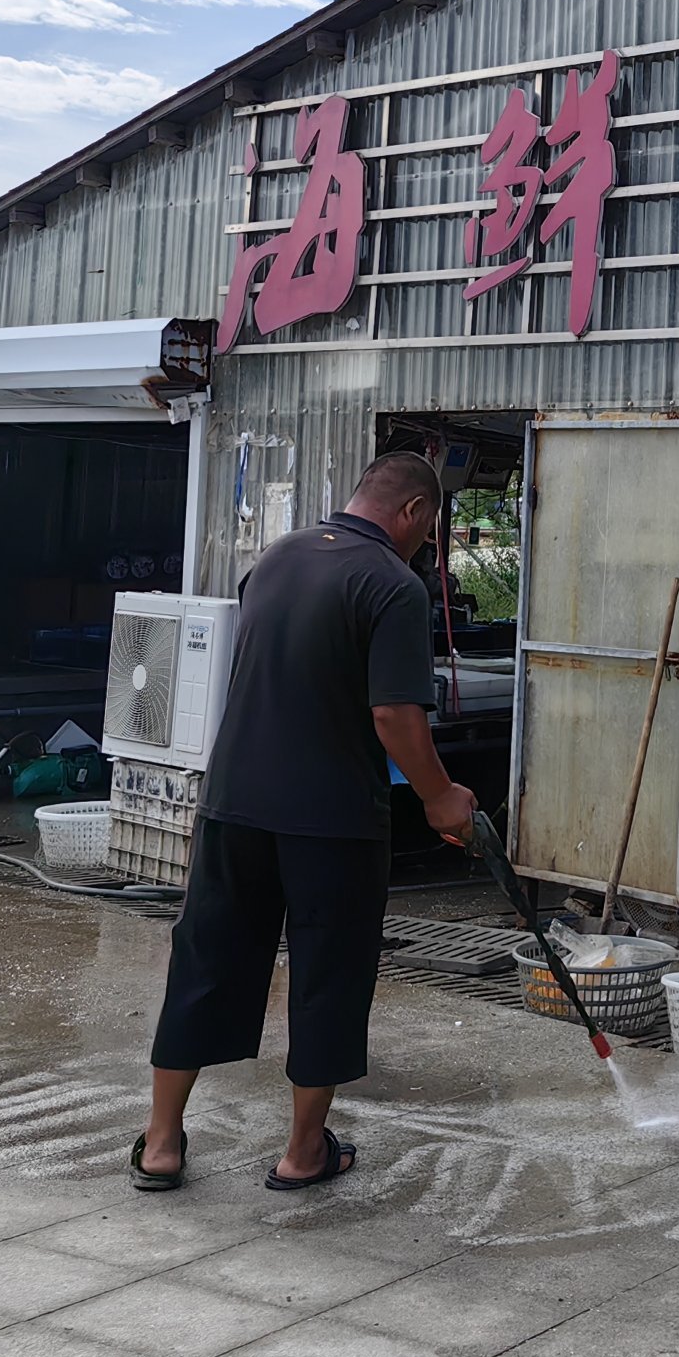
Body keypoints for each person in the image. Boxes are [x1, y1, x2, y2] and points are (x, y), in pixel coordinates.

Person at [130, 452, 478, 1193]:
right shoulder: (392, 584)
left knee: (206, 962)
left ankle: (161, 1144)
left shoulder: (275, 560)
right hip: (332, 817)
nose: (425, 544)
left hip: (234, 804)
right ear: (414, 512)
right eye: (429, 529)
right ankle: (302, 1153)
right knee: (329, 976)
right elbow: (393, 715)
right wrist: (440, 796)